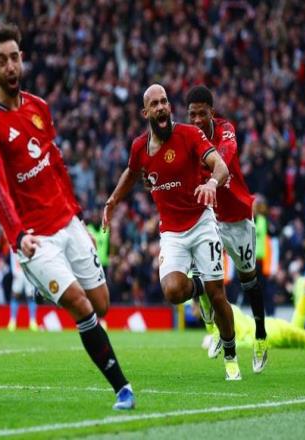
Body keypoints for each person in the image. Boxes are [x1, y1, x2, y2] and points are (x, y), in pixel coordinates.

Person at [0, 23, 134, 410]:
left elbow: (56, 163)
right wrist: (18, 236)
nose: (10, 66)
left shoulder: (39, 108)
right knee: (81, 305)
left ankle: (46, 290)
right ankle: (122, 388)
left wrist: (77, 215)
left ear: (22, 59)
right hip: (35, 238)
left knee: (102, 304)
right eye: (1, 60)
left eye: (14, 57)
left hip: (67, 222)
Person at [103, 84, 241, 380]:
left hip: (202, 223)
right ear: (145, 113)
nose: (161, 107)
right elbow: (131, 172)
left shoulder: (189, 134)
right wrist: (113, 200)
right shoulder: (140, 147)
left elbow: (219, 165)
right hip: (172, 233)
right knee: (173, 291)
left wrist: (211, 183)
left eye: (164, 101)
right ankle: (199, 288)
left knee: (219, 295)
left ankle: (230, 353)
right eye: (154, 104)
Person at [185, 85, 268, 373]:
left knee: (248, 279)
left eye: (202, 113)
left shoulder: (226, 129)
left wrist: (204, 172)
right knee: (204, 274)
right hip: (210, 216)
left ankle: (261, 337)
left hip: (237, 216)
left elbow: (225, 157)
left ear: (212, 111)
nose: (197, 120)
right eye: (192, 114)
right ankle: (218, 328)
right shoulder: (186, 136)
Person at [202, 265, 305, 353]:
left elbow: (239, 343)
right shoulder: (228, 307)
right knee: (295, 329)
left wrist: (215, 343)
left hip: (271, 335)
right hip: (270, 327)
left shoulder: (215, 322)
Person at [8, 251, 39, 331]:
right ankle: (12, 321)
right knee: (15, 296)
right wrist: (14, 272)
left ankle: (32, 321)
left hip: (28, 272)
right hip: (18, 272)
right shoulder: (13, 245)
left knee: (31, 297)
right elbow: (12, 256)